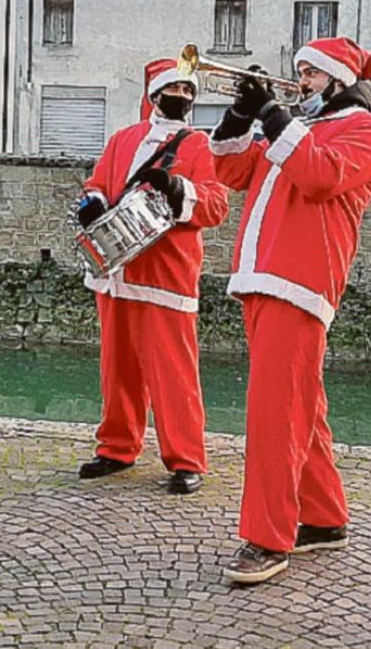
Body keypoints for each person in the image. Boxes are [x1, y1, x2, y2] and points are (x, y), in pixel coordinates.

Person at [207, 37, 371, 585]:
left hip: (301, 281)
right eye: (298, 72)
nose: (300, 81)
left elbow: (319, 177)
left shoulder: (363, 130)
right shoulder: (292, 130)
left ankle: (267, 536)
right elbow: (229, 172)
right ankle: (324, 516)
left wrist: (273, 114)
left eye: (310, 73)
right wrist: (241, 112)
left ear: (338, 79)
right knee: (300, 403)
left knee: (274, 412)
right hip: (264, 279)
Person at [74, 59, 230, 494]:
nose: (182, 94)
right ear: (155, 94)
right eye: (173, 87)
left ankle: (186, 458)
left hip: (166, 273)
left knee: (173, 371)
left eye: (187, 88)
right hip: (114, 268)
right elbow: (98, 183)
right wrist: (92, 202)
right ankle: (117, 447)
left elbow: (216, 206)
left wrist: (180, 191)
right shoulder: (123, 139)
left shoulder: (201, 145)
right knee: (117, 367)